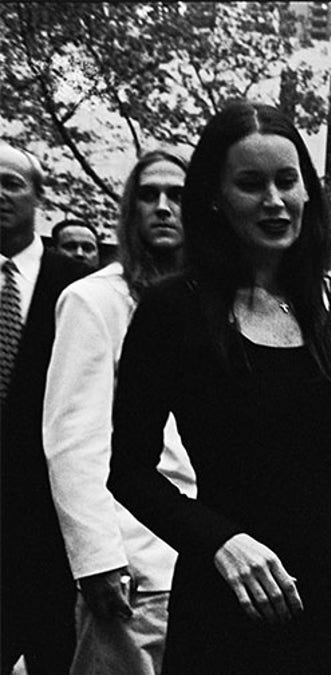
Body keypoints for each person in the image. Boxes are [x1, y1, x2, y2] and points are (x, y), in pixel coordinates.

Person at [106, 101, 331, 674]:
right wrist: (219, 541)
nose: (273, 201)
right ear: (214, 197)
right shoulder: (172, 309)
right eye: (250, 183)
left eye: (286, 181)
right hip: (226, 601)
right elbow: (129, 471)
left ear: (308, 191)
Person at [43, 150, 197, 674]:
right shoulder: (93, 301)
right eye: (148, 196)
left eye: (177, 196)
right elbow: (73, 440)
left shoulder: (213, 302)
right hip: (134, 567)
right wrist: (97, 559)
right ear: (128, 211)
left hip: (206, 561)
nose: (162, 207)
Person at [0, 142, 92, 675]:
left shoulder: (76, 286)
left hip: (49, 536)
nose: (1, 194)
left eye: (13, 183)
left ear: (38, 197)